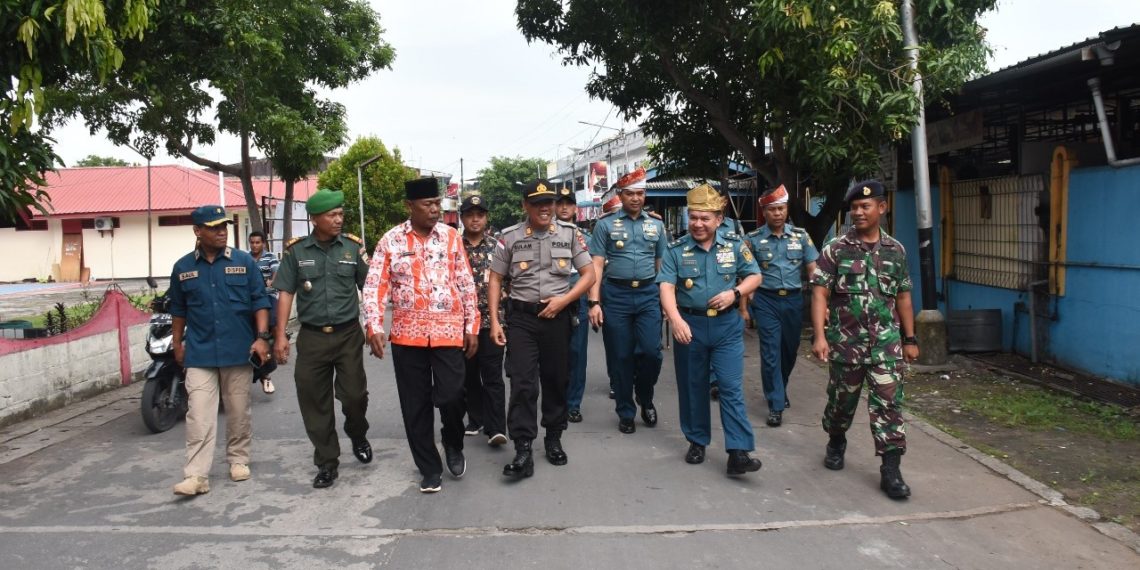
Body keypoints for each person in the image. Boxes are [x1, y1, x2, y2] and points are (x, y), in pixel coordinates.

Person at [363, 178, 481, 493]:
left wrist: (472, 327)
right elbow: (375, 285)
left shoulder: (452, 237)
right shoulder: (391, 241)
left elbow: (466, 283)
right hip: (407, 336)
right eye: (427, 204)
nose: (434, 210)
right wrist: (374, 325)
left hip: (448, 332)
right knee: (415, 405)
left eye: (437, 203)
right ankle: (429, 467)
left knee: (453, 395)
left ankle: (453, 442)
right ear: (410, 207)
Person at [810, 179, 919, 500]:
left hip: (886, 345)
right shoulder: (836, 250)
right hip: (846, 344)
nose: (858, 212)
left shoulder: (895, 251)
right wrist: (819, 336)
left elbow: (903, 298)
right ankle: (836, 439)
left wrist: (910, 338)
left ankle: (891, 470)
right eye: (854, 207)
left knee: (889, 405)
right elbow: (819, 294)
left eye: (865, 206)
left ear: (882, 208)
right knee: (841, 404)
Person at [488, 179, 595, 480]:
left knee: (556, 379)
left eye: (548, 202)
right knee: (522, 382)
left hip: (557, 318)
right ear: (526, 206)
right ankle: (523, 447)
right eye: (537, 203)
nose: (545, 208)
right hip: (521, 318)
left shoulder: (570, 234)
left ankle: (553, 436)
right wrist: (496, 320)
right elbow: (495, 278)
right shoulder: (508, 238)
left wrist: (564, 301)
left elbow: (589, 274)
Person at [658, 184, 764, 476]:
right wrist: (676, 319)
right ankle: (697, 440)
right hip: (689, 326)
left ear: (719, 219)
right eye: (693, 217)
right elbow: (666, 286)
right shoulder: (676, 249)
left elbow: (755, 275)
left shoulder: (733, 245)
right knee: (693, 387)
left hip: (726, 326)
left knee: (730, 387)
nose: (698, 224)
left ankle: (738, 451)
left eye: (705, 218)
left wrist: (736, 293)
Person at [166, 205, 271, 496]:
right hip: (199, 353)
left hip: (238, 350)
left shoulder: (243, 262)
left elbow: (260, 301)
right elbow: (178, 310)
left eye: (223, 226)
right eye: (213, 227)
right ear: (198, 231)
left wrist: (262, 338)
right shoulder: (183, 268)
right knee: (198, 414)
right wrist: (177, 343)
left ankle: (238, 459)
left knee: (238, 411)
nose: (221, 231)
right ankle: (196, 475)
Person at [272, 189, 371, 489]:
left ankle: (357, 432)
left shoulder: (353, 249)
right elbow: (286, 292)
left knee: (354, 396)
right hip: (312, 338)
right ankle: (327, 462)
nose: (339, 219)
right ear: (315, 218)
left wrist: (375, 326)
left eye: (341, 214)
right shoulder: (296, 252)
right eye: (332, 215)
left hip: (348, 335)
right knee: (315, 402)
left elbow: (372, 287)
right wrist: (280, 336)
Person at [587, 167, 665, 434]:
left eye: (640, 193)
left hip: (647, 295)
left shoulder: (657, 225)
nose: (635, 198)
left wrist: (666, 301)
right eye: (630, 193)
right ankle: (626, 411)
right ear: (620, 195)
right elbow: (596, 265)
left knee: (651, 353)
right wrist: (594, 302)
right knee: (620, 357)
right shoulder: (605, 224)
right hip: (616, 296)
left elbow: (661, 265)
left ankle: (645, 396)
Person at [742, 185, 819, 427]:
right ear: (764, 212)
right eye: (772, 209)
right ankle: (775, 403)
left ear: (786, 210)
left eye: (781, 208)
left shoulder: (801, 236)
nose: (777, 213)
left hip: (794, 300)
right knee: (770, 352)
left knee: (789, 349)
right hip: (766, 300)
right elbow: (745, 273)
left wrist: (822, 298)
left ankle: (779, 387)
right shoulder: (753, 240)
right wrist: (746, 303)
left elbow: (813, 269)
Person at [458, 194, 509, 445]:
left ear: (486, 217)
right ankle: (475, 418)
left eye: (480, 214)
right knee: (468, 375)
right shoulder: (453, 248)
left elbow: (509, 280)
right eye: (470, 214)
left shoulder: (498, 247)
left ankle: (496, 427)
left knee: (492, 375)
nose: (475, 219)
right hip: (462, 324)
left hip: (492, 322)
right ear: (462, 218)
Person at [555, 186, 590, 423]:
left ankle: (573, 403)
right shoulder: (546, 234)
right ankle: (556, 400)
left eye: (569, 203)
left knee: (577, 352)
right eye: (560, 203)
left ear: (575, 208)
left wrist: (597, 302)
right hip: (553, 295)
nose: (564, 207)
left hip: (578, 296)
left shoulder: (584, 238)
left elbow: (593, 271)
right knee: (555, 352)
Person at [247, 230, 279, 394]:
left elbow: (275, 272)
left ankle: (276, 343)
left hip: (267, 296)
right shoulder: (244, 258)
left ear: (264, 243)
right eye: (252, 242)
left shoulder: (270, 257)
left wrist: (271, 281)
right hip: (248, 301)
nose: (254, 245)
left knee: (271, 321)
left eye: (257, 242)